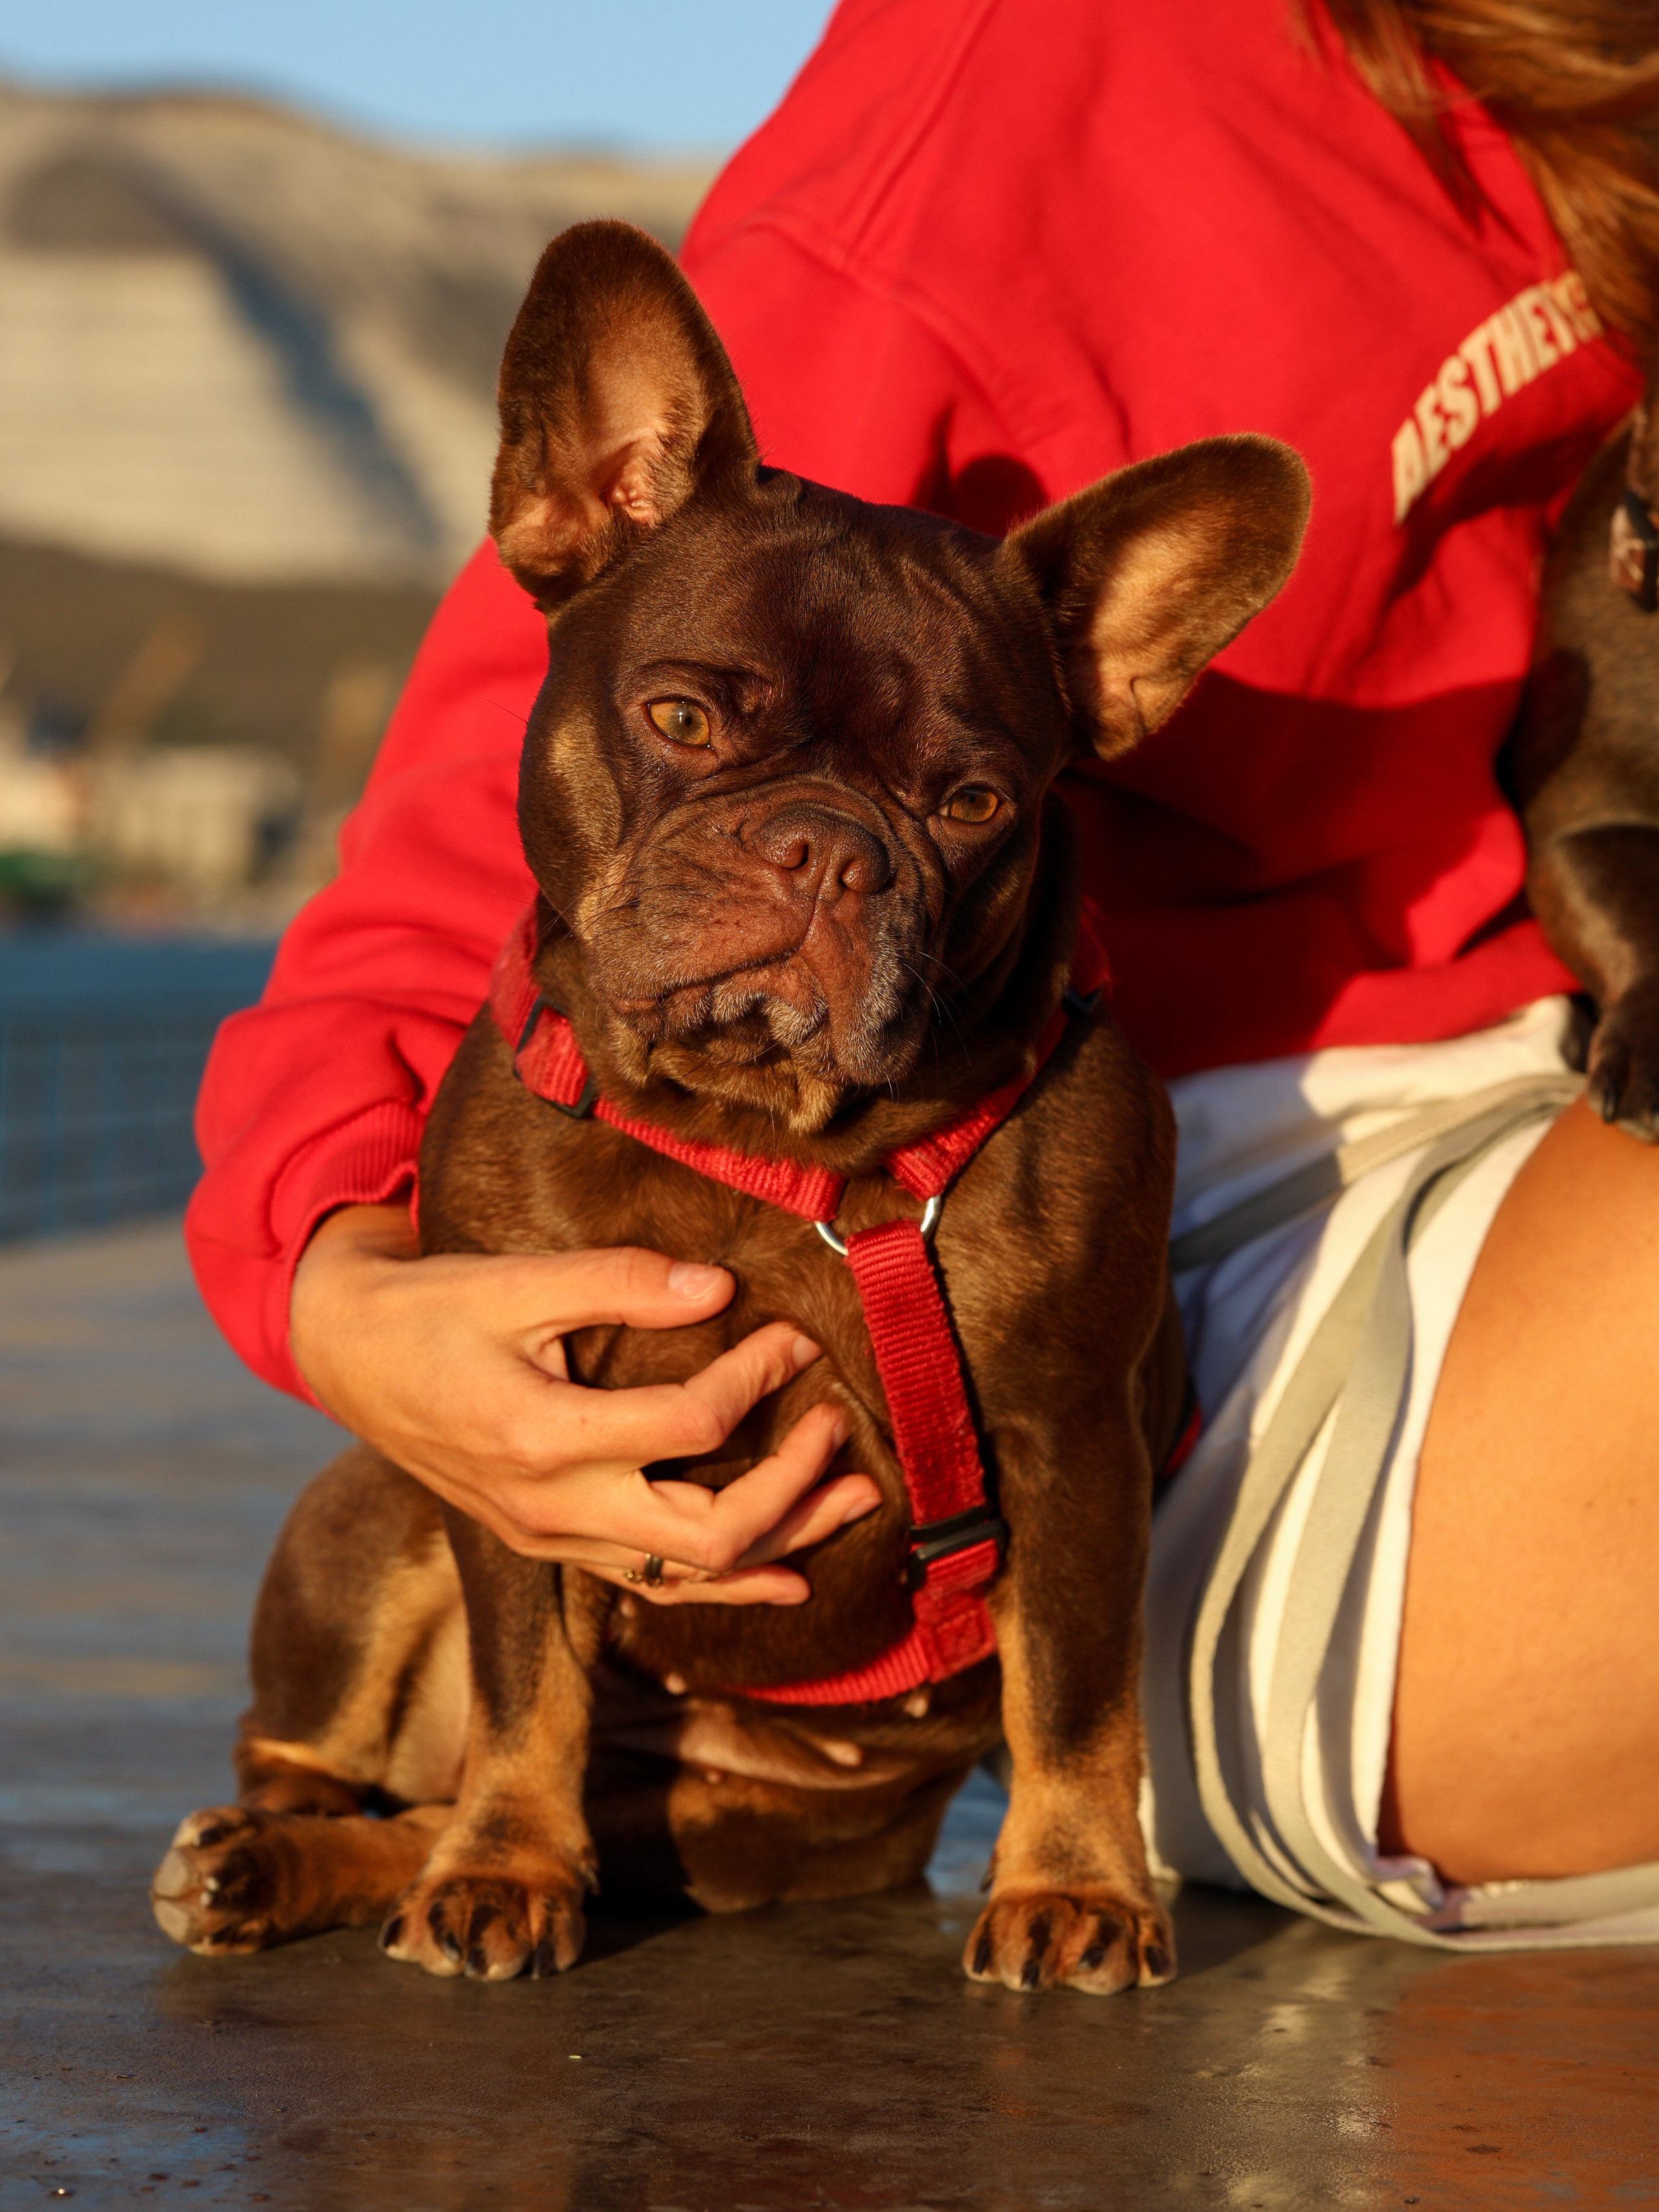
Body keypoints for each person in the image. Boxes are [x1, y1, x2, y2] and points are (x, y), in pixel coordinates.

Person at [187, 0, 1659, 1947]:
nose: (811, 854)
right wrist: (340, 1275)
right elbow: (499, 799)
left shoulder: (1595, 109)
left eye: (952, 800)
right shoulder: (1031, 89)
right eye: (704, 736)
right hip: (1236, 1208)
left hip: (1552, 1065)